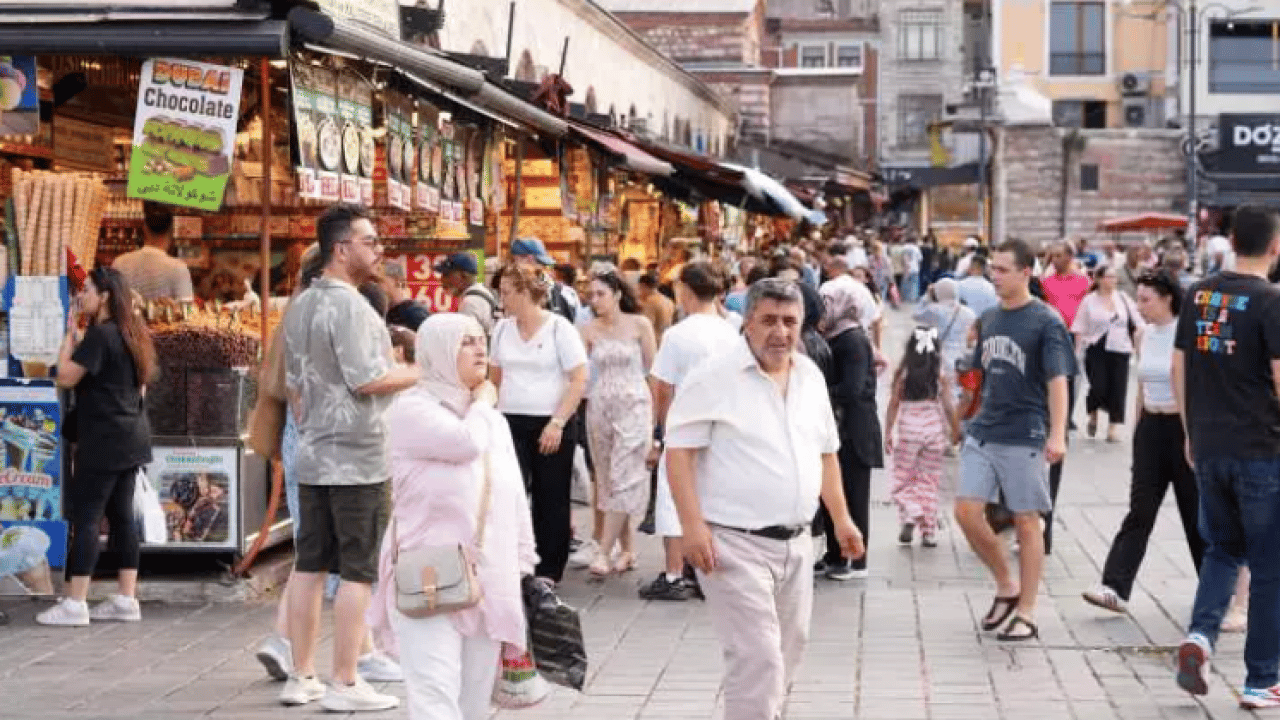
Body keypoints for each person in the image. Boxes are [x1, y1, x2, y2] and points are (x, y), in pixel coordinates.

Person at [666, 278, 865, 720]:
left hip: (797, 544)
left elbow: (826, 454)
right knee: (759, 658)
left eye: (790, 321)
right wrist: (691, 528)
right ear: (747, 323)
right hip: (732, 542)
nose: (781, 332)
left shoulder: (809, 374)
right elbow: (677, 454)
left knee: (787, 654)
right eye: (769, 321)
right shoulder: (713, 376)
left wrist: (843, 520)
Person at [280, 204, 418, 712]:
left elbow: (294, 389)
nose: (378, 250)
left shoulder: (300, 306)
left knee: (310, 564)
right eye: (370, 241)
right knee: (359, 570)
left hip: (315, 453)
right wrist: (419, 371)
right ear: (341, 249)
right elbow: (368, 379)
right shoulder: (353, 307)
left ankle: (302, 675)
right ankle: (344, 681)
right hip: (358, 457)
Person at [369, 314, 537, 720]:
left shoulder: (491, 421)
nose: (480, 349)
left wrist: (525, 565)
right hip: (428, 575)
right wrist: (482, 405)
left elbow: (513, 495)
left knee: (474, 704)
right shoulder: (411, 409)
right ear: (438, 351)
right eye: (465, 342)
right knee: (434, 698)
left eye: (481, 340)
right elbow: (464, 444)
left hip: (486, 577)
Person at [1172, 207, 1280, 708]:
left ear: (1231, 240)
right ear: (1275, 247)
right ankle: (1261, 679)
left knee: (1221, 550)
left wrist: (1190, 431)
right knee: (1269, 566)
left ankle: (1200, 636)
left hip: (1209, 445)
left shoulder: (1199, 293)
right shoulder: (1270, 301)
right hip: (1261, 450)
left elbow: (1180, 365)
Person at [953, 239, 1074, 642]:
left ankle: (1027, 610)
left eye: (1003, 270)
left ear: (1026, 272)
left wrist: (1057, 433)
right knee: (967, 512)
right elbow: (979, 375)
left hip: (1026, 433)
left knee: (1027, 521)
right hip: (985, 429)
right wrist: (959, 413)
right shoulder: (988, 319)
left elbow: (1059, 381)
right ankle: (1007, 583)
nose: (995, 276)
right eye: (993, 269)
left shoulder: (1047, 321)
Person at [37, 268, 156, 627]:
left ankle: (75, 603)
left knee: (87, 517)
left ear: (104, 295)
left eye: (86, 290)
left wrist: (67, 339)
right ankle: (126, 598)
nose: (81, 296)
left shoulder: (100, 336)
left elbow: (65, 375)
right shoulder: (133, 333)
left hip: (102, 439)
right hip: (132, 437)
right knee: (122, 518)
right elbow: (142, 389)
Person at [1083, 270, 1203, 614]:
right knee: (1140, 510)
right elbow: (1142, 385)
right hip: (1151, 427)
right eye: (1138, 299)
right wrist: (1137, 427)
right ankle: (1114, 587)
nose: (1140, 306)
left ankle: (1216, 590)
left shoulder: (1187, 333)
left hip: (1182, 429)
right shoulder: (1144, 335)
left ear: (1167, 298)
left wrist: (1193, 435)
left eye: (1146, 299)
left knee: (1195, 513)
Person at [639, 262, 740, 602]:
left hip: (684, 424)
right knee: (711, 495)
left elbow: (663, 387)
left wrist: (660, 430)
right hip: (722, 426)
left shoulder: (678, 335)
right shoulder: (731, 331)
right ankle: (707, 568)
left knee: (672, 497)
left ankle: (674, 572)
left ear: (686, 290)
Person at [490, 265, 588, 584]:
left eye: (506, 292)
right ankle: (515, 558)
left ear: (524, 293)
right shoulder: (502, 330)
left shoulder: (559, 328)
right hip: (510, 419)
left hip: (551, 420)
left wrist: (558, 422)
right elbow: (495, 376)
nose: (501, 299)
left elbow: (578, 378)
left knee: (551, 495)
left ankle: (549, 567)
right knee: (511, 491)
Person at [579, 270, 656, 577]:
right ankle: (627, 549)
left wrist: (658, 421)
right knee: (608, 478)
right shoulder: (587, 329)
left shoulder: (640, 324)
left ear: (617, 294)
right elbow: (577, 370)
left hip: (635, 404)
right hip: (600, 406)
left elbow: (654, 370)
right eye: (591, 295)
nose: (594, 300)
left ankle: (602, 550)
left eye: (600, 294)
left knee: (626, 474)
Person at [818, 278, 883, 580]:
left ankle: (856, 560)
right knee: (836, 492)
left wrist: (820, 392)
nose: (823, 309)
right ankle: (835, 555)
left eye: (829, 303)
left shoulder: (853, 339)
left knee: (853, 496)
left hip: (855, 430)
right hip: (842, 427)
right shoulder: (838, 336)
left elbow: (853, 387)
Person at [884, 327, 961, 547]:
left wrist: (888, 432)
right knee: (928, 481)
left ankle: (910, 514)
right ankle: (928, 532)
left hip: (908, 432)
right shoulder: (939, 375)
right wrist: (955, 430)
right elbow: (948, 406)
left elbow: (893, 405)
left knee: (902, 479)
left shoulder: (904, 374)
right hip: (933, 433)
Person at [1072, 264, 1140, 442]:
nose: (1112, 281)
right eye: (1108, 277)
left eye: (1114, 277)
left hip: (1120, 347)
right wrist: (1077, 351)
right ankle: (1093, 413)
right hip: (1096, 348)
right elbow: (1079, 326)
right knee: (1098, 386)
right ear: (1099, 279)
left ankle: (1113, 428)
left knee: (1118, 388)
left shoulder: (1123, 298)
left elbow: (1138, 321)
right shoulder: (1089, 300)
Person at [112, 201, 195, 302]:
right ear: (171, 232)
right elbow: (187, 310)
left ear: (145, 229)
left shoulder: (119, 263)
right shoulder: (178, 268)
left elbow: (112, 306)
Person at [914, 278, 977, 395]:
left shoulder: (935, 310)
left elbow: (917, 314)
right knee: (958, 391)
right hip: (962, 358)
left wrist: (927, 296)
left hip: (941, 357)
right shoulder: (969, 313)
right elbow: (973, 338)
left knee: (942, 391)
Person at [510, 237, 575, 321]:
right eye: (539, 263)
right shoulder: (508, 289)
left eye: (541, 265)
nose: (541, 269)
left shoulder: (555, 291)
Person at [436, 252, 496, 335]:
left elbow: (466, 340)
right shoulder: (481, 293)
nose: (443, 279)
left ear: (464, 275)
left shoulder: (470, 302)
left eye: (447, 274)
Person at [377, 262, 429, 332]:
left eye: (378, 281)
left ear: (396, 280)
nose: (376, 286)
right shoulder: (384, 314)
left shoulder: (416, 314)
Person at [636, 271, 676, 343]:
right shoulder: (669, 301)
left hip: (655, 342)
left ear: (643, 286)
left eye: (639, 288)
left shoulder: (651, 302)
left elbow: (646, 326)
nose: (639, 292)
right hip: (666, 340)